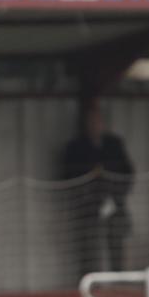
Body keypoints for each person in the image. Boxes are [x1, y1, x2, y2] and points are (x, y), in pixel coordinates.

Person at [59, 103, 135, 280]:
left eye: (97, 121)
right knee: (90, 245)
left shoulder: (114, 144)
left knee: (117, 239)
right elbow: (66, 176)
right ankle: (91, 281)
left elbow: (128, 172)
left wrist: (116, 193)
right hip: (88, 204)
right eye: (90, 121)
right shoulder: (76, 147)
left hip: (113, 201)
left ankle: (119, 279)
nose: (94, 124)